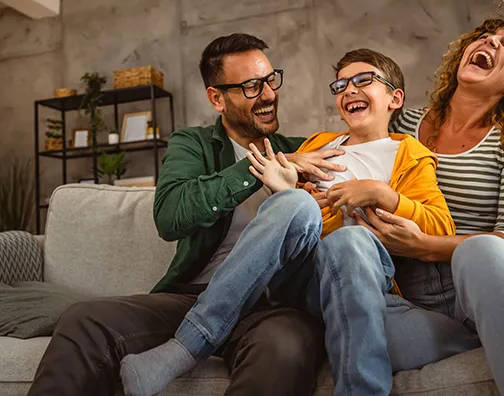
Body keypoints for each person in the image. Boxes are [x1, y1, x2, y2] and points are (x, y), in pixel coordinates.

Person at [120, 48, 457, 396]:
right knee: (296, 203)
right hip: (302, 278)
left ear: (394, 98)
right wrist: (290, 191)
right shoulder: (318, 145)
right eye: (340, 85)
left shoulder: (408, 152)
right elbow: (293, 216)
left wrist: (378, 193)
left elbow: (438, 228)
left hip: (362, 280)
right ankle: (188, 345)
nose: (349, 90)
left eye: (364, 81)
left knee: (350, 242)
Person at [27, 33, 345, 396]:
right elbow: (170, 216)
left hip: (271, 307)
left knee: (286, 347)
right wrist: (260, 169)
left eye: (271, 80)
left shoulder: (307, 150)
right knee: (84, 320)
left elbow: (373, 148)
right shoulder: (192, 144)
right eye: (252, 86)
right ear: (217, 98)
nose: (270, 94)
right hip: (192, 297)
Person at [309, 11, 504, 396]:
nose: (490, 42)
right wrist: (292, 161)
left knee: (481, 249)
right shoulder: (401, 125)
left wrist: (424, 245)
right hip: (409, 302)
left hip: (479, 284)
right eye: (485, 36)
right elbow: (339, 144)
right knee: (361, 331)